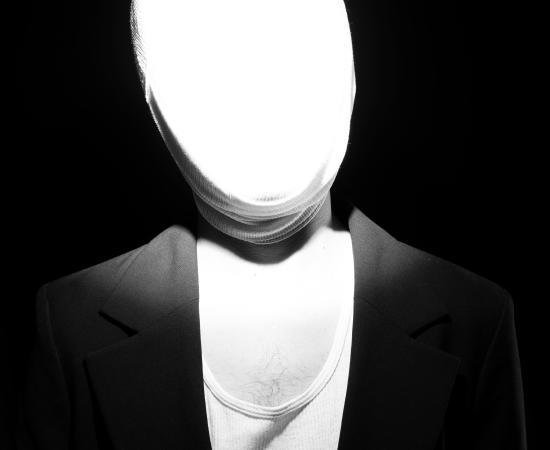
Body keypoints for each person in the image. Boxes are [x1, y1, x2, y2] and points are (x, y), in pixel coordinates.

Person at [17, 1, 526, 449]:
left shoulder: (473, 321)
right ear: (152, 88)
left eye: (289, 41)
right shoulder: (70, 326)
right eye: (215, 55)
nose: (260, 87)